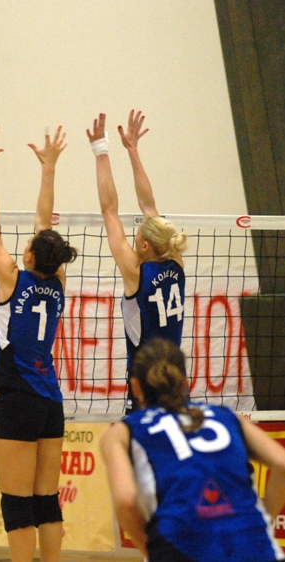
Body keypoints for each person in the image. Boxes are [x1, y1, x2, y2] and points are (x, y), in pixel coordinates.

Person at [0, 123, 78, 562]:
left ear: (29, 255)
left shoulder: (12, 279)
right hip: (50, 399)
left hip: (17, 397)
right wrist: (49, 169)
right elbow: (45, 224)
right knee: (45, 500)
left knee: (16, 503)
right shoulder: (58, 281)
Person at [99, 338, 285, 561]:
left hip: (178, 545)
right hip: (252, 543)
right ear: (185, 383)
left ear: (135, 386)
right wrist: (262, 521)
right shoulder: (227, 416)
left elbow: (126, 501)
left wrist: (150, 549)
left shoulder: (122, 432)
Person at [87, 110, 187, 413]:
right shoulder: (176, 262)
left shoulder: (136, 273)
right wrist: (132, 150)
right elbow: (149, 205)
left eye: (137, 235)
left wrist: (101, 151)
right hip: (175, 378)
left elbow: (109, 209)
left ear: (144, 246)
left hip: (145, 382)